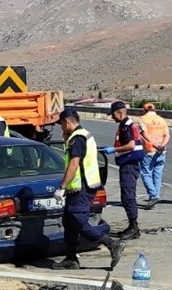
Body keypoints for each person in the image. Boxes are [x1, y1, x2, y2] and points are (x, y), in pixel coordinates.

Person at [51, 107, 124, 271]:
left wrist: (62, 187)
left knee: (79, 222)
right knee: (69, 222)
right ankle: (71, 259)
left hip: (81, 188)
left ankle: (112, 244)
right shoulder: (84, 135)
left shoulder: (77, 139)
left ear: (67, 121)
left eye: (62, 124)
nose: (61, 128)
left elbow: (74, 163)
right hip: (82, 186)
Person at [105, 101, 144, 240]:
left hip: (129, 165)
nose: (112, 117)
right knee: (126, 196)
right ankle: (132, 226)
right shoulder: (125, 125)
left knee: (128, 197)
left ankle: (134, 227)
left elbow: (131, 145)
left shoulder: (126, 127)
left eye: (113, 114)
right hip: (128, 164)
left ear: (120, 113)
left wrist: (114, 149)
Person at [138, 102, 170, 208]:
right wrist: (162, 145)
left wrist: (155, 145)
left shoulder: (142, 119)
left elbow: (145, 134)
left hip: (149, 150)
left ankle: (153, 195)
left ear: (144, 110)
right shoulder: (161, 120)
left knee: (146, 173)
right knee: (157, 175)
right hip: (161, 151)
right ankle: (155, 196)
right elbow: (167, 135)